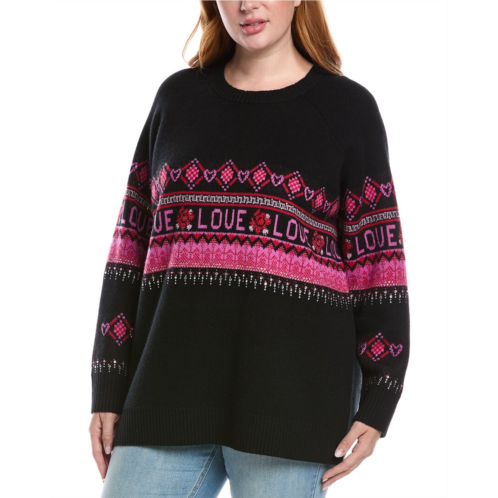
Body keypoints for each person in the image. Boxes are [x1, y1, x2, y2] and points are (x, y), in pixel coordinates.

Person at [89, 0, 410, 496]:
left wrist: (380, 397)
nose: (246, 4)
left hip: (291, 409)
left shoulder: (347, 110)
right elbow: (129, 247)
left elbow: (378, 265)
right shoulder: (177, 99)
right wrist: (108, 382)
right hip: (165, 392)